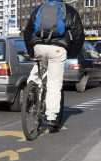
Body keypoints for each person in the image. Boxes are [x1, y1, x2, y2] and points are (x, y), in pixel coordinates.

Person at [24, 0, 84, 129]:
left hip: (38, 46)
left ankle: (32, 90)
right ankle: (51, 117)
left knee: (38, 68)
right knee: (54, 82)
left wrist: (31, 51)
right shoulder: (69, 11)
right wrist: (72, 53)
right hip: (58, 48)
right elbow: (79, 35)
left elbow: (28, 31)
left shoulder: (39, 9)